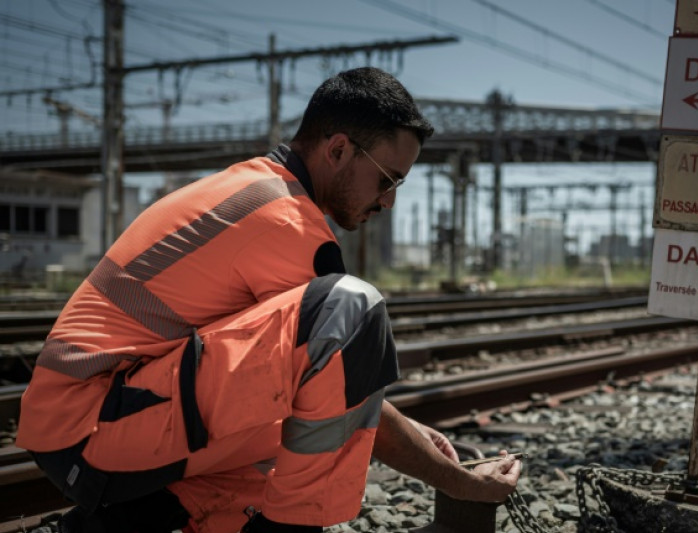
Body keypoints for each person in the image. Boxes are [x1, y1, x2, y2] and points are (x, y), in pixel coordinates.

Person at [17, 67, 521, 533]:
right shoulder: (284, 220)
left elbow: (334, 390)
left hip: (81, 423)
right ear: (339, 150)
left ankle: (119, 524)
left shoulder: (256, 188)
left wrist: (406, 427)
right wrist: (460, 484)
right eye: (388, 180)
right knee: (350, 308)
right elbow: (342, 366)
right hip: (95, 425)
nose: (389, 201)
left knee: (300, 417)